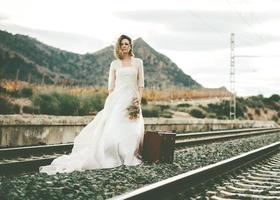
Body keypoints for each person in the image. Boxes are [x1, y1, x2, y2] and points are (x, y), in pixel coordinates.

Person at [39, 35, 145, 175]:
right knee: (114, 127)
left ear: (131, 46)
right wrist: (111, 102)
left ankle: (129, 156)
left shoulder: (138, 62)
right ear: (119, 47)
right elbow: (111, 87)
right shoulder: (114, 64)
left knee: (132, 129)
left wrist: (138, 99)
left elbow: (141, 84)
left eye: (127, 44)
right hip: (117, 99)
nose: (125, 46)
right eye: (122, 44)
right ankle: (113, 155)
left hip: (132, 99)